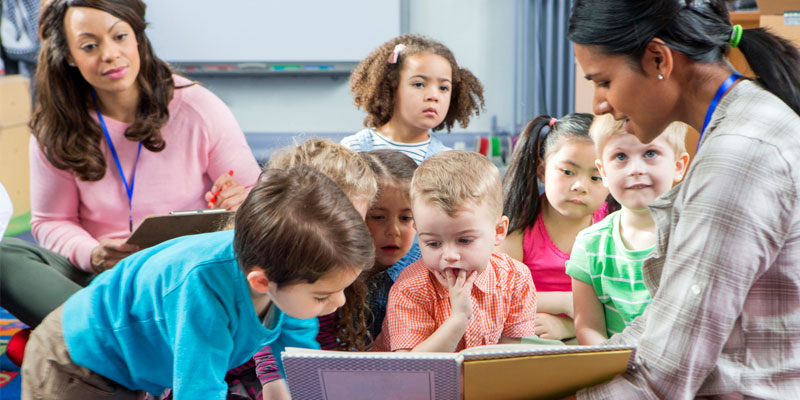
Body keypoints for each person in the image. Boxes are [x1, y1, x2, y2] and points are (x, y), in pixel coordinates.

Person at [566, 0, 800, 397]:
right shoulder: (745, 121)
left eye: (603, 81)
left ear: (658, 59)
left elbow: (665, 374)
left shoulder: (737, 155)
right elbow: (666, 318)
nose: (599, 105)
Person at [0, 0, 261, 328]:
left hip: (187, 277)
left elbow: (256, 196)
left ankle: (92, 339)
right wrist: (93, 254)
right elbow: (51, 221)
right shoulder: (55, 126)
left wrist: (241, 201)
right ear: (69, 55)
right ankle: (116, 337)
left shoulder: (198, 107)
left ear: (137, 37)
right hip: (100, 282)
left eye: (119, 37)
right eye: (90, 46)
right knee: (5, 257)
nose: (109, 54)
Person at [21, 165, 375, 400]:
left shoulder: (285, 270)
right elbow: (198, 391)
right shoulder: (203, 289)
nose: (339, 302)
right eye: (324, 295)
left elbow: (295, 352)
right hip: (75, 364)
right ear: (262, 282)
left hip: (130, 368)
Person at [223, 138, 378, 400]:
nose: (346, 236)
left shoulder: (338, 268)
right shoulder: (269, 271)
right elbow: (274, 367)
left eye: (355, 223)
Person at [375, 150, 537, 352]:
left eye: (464, 240)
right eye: (433, 243)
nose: (449, 255)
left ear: (498, 231)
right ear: (418, 233)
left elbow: (508, 356)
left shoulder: (515, 279)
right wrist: (458, 319)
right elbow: (412, 370)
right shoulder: (410, 289)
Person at [566, 115, 689, 345]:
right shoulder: (589, 244)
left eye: (650, 154)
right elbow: (588, 328)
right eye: (621, 156)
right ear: (603, 172)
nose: (635, 169)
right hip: (616, 369)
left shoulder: (695, 234)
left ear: (678, 166)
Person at [497, 114, 611, 341]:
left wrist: (572, 322)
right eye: (568, 172)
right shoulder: (518, 225)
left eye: (596, 177)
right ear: (541, 171)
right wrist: (567, 302)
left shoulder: (613, 227)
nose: (580, 186)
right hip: (529, 338)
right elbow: (496, 296)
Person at [341, 34, 485, 164]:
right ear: (391, 87)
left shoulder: (447, 162)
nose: (433, 96)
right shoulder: (353, 149)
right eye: (419, 84)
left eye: (443, 88)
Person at [358, 150, 421, 342]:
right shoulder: (332, 266)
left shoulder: (425, 269)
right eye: (377, 217)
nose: (394, 230)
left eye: (406, 218)